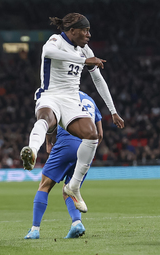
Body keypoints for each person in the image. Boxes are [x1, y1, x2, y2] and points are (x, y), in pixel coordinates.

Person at [20, 13, 124, 213]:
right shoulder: (56, 40)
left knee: (92, 135)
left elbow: (98, 80)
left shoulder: (85, 49)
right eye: (84, 30)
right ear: (72, 30)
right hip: (50, 95)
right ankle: (32, 151)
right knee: (46, 119)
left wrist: (113, 111)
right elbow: (48, 52)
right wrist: (83, 61)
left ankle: (73, 186)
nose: (88, 34)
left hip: (71, 100)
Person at [25, 91, 102, 239]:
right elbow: (100, 134)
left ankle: (35, 229)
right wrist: (89, 153)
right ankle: (77, 223)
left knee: (44, 185)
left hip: (66, 143)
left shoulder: (62, 94)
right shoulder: (91, 101)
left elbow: (50, 121)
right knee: (70, 189)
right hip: (86, 149)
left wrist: (48, 142)